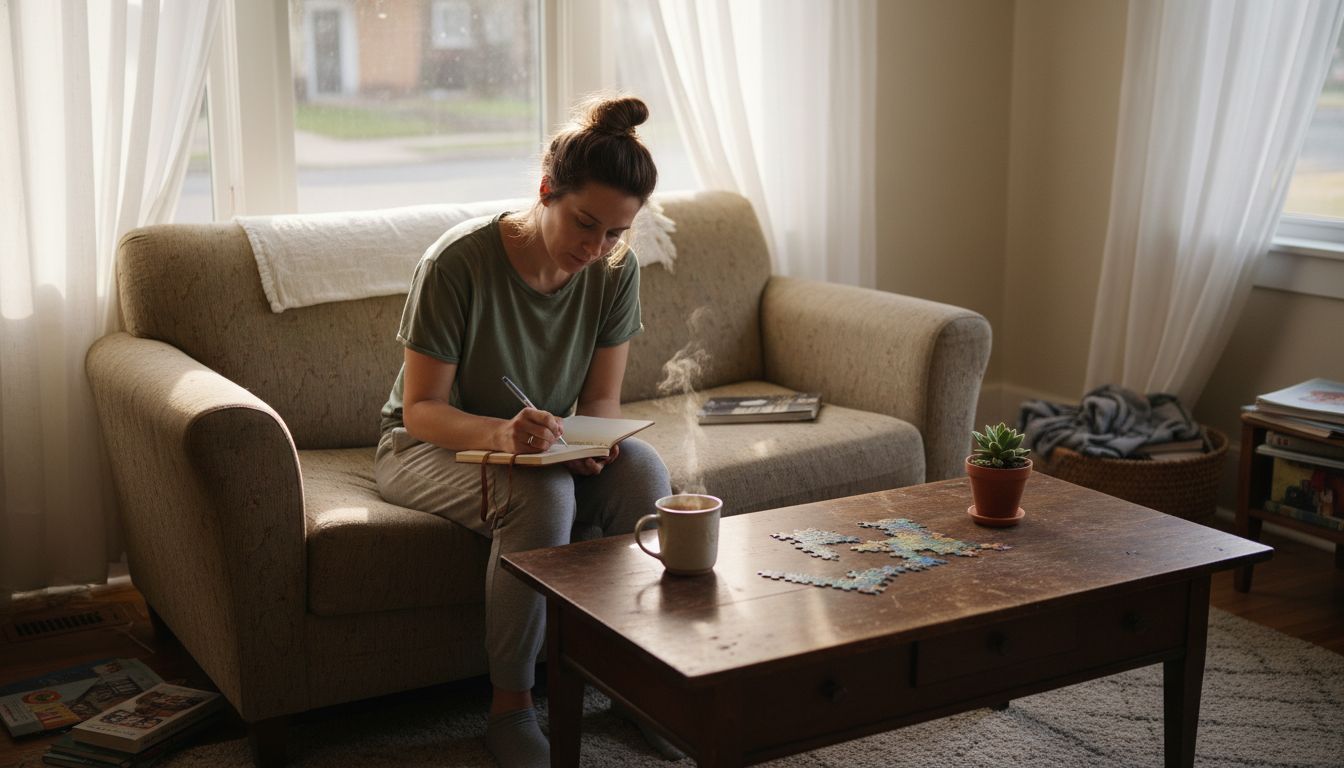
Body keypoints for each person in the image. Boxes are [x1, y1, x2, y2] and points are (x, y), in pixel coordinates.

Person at [374, 95, 676, 768]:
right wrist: (506, 437)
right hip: (424, 446)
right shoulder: (455, 265)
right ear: (547, 191)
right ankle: (511, 707)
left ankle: (645, 682)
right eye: (584, 223)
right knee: (542, 500)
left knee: (647, 473)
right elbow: (422, 408)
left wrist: (593, 443)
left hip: (542, 446)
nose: (595, 248)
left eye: (615, 234)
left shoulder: (612, 272)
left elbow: (600, 399)